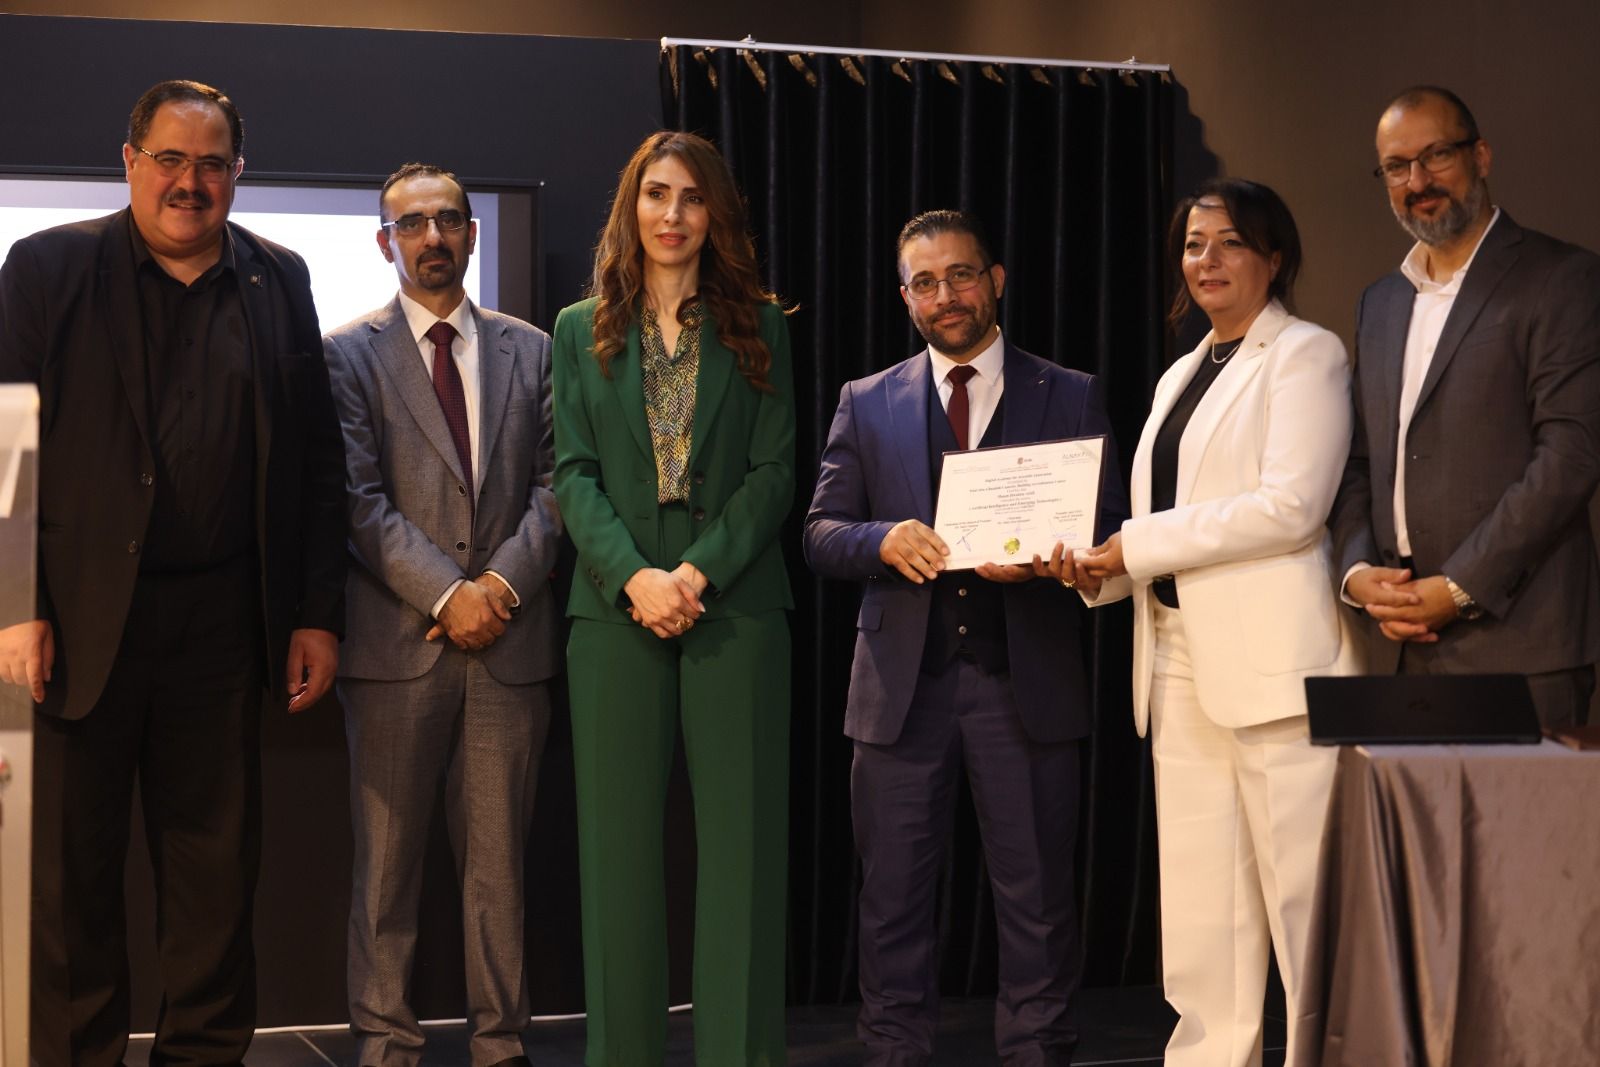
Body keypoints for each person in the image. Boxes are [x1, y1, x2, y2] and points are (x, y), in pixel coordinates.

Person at [0, 79, 346, 1067]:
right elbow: (3, 445)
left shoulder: (279, 278)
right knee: (70, 888)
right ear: (129, 161)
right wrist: (15, 603)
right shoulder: (47, 267)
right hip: (77, 628)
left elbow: (317, 458)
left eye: (211, 164)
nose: (189, 182)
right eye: (169, 159)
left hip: (223, 630)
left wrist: (316, 612)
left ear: (237, 173)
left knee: (214, 888)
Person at [804, 209, 1128, 1067]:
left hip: (1026, 684)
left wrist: (1061, 561)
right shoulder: (866, 400)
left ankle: (1039, 1054)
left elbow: (1107, 527)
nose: (945, 295)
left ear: (996, 280)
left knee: (1038, 902)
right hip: (900, 693)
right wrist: (882, 539)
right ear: (905, 297)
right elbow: (821, 532)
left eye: (960, 275)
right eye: (925, 282)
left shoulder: (1069, 392)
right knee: (892, 904)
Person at [1073, 178, 1360, 1067]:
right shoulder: (1181, 372)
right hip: (1174, 653)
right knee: (1203, 903)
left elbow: (1292, 506)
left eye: (1231, 242)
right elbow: (1162, 516)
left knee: (1304, 899)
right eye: (1195, 244)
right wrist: (1102, 569)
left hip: (1274, 666)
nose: (1208, 260)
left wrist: (1134, 546)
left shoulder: (1307, 354)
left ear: (1274, 256)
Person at [551, 130, 794, 1066]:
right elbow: (573, 474)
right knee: (615, 859)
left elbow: (775, 472)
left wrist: (694, 573)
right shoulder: (580, 328)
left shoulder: (762, 324)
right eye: (657, 193)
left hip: (734, 607)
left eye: (693, 197)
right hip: (614, 613)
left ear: (715, 214)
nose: (673, 213)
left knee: (742, 856)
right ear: (632, 205)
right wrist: (636, 577)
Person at [323, 163, 561, 1067]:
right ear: (386, 241)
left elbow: (557, 487)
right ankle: (386, 1043)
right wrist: (447, 594)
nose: (433, 237)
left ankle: (500, 1044)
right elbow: (357, 501)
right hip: (396, 650)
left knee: (500, 872)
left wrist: (496, 589)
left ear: (472, 232)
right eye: (413, 223)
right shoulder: (347, 354)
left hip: (510, 644)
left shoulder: (531, 349)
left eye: (449, 220)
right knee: (386, 872)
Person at [1330, 85, 1600, 728]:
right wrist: (1359, 570)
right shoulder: (1380, 303)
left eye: (1436, 156)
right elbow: (1359, 460)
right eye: (1397, 167)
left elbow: (1571, 455)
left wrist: (1458, 588)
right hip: (1399, 647)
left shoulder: (1562, 278)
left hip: (1522, 644)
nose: (1417, 181)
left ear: (1480, 156)